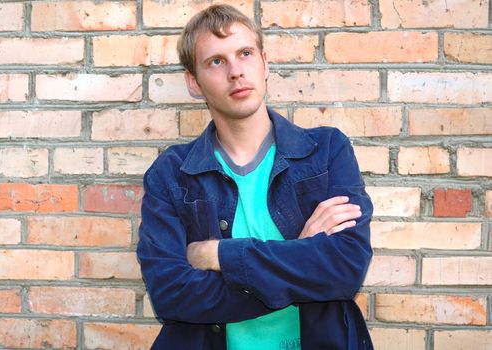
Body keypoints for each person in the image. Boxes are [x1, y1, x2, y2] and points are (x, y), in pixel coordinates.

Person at [137, 4, 373, 350]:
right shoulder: (172, 174)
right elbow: (171, 294)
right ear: (194, 82)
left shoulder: (325, 152)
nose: (236, 71)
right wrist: (301, 256)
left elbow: (346, 268)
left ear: (265, 63)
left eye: (245, 53)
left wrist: (221, 256)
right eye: (216, 61)